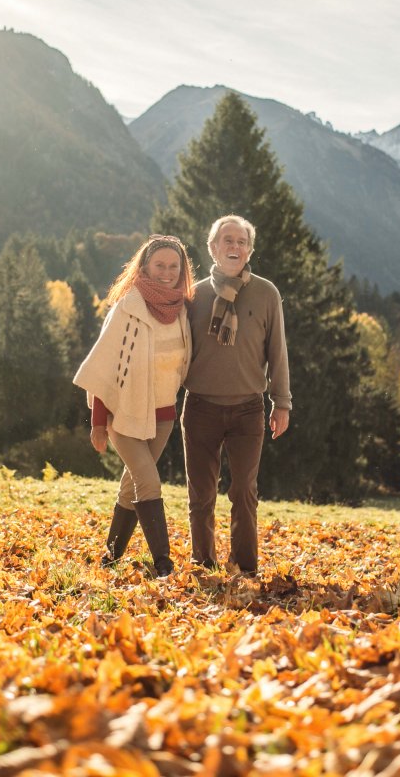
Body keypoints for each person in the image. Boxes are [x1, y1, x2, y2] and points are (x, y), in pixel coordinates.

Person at [73, 234, 194, 577]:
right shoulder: (128, 307)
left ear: (182, 270)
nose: (167, 272)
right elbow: (104, 367)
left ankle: (110, 557)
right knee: (149, 482)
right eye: (160, 265)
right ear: (144, 267)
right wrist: (98, 423)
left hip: (164, 417)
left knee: (132, 484)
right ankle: (164, 565)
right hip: (123, 416)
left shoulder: (182, 309)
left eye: (174, 266)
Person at [182, 215, 290, 576]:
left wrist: (282, 401)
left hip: (248, 410)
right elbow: (175, 351)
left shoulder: (266, 293)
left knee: (244, 491)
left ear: (250, 249)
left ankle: (244, 568)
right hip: (199, 408)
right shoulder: (193, 295)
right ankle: (203, 562)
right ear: (213, 248)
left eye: (241, 241)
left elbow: (277, 351)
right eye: (226, 240)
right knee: (201, 494)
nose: (234, 247)